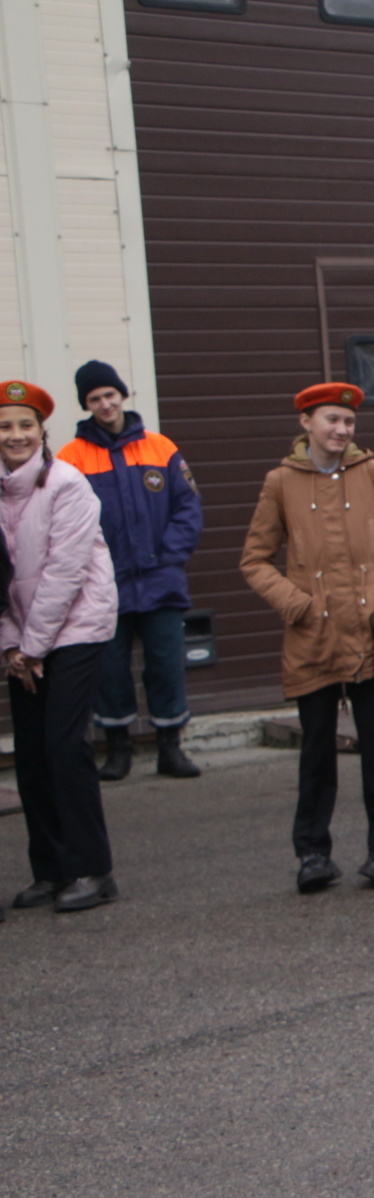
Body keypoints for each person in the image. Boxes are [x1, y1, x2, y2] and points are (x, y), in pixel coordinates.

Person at [239, 382, 374, 893]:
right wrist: (295, 604)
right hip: (311, 636)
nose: (341, 431)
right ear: (306, 423)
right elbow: (254, 559)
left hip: (373, 631)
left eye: (349, 422)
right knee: (316, 749)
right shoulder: (280, 481)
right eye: (331, 421)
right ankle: (313, 852)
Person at [0, 379, 119, 915]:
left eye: (25, 425)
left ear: (41, 430)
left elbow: (63, 574)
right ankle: (50, 869)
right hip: (23, 639)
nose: (16, 435)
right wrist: (11, 647)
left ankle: (93, 869)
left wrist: (33, 647)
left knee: (64, 747)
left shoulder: (68, 484)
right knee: (30, 755)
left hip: (73, 628)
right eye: (5, 426)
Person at [58, 361, 204, 781]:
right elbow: (66, 520)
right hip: (104, 586)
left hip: (162, 581)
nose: (104, 404)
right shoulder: (71, 458)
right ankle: (117, 750)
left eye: (110, 395)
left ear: (122, 395)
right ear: (85, 405)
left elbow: (187, 508)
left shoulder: (161, 447)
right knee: (108, 669)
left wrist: (170, 556)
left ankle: (170, 749)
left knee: (166, 665)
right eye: (94, 399)